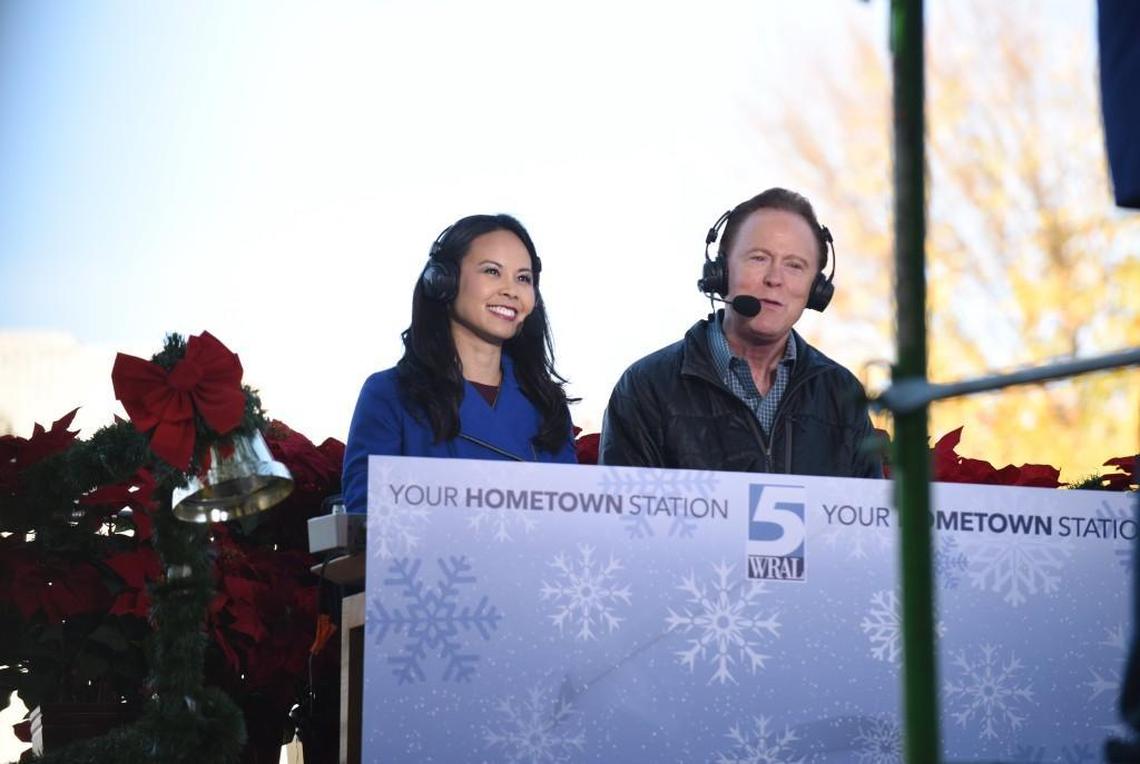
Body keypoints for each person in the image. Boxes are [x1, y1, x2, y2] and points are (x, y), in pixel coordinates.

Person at [599, 187, 881, 478]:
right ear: (720, 271)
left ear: (816, 289)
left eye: (795, 266)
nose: (774, 279)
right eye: (758, 258)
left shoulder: (842, 393)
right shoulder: (646, 386)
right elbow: (626, 518)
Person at [342, 213, 578, 513]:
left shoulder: (547, 404)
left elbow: (571, 523)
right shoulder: (390, 394)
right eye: (492, 271)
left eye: (523, 278)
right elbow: (367, 525)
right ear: (444, 280)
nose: (511, 290)